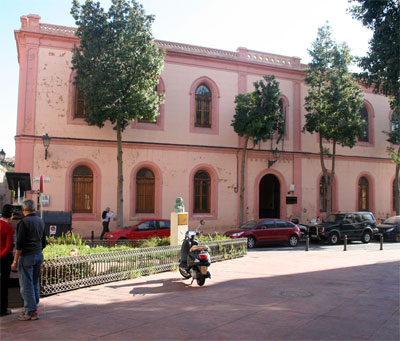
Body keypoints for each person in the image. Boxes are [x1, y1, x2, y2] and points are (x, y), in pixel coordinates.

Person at [11, 199, 46, 321]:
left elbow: (19, 244)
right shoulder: (40, 221)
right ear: (34, 209)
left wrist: (15, 261)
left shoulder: (23, 223)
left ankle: (30, 311)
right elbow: (44, 242)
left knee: (26, 284)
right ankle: (34, 307)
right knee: (35, 282)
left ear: (23, 210)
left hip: (27, 256)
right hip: (38, 254)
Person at [0, 204, 14, 316]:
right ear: (11, 215)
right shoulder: (8, 227)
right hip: (4, 259)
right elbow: (9, 246)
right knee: (4, 284)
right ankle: (3, 309)